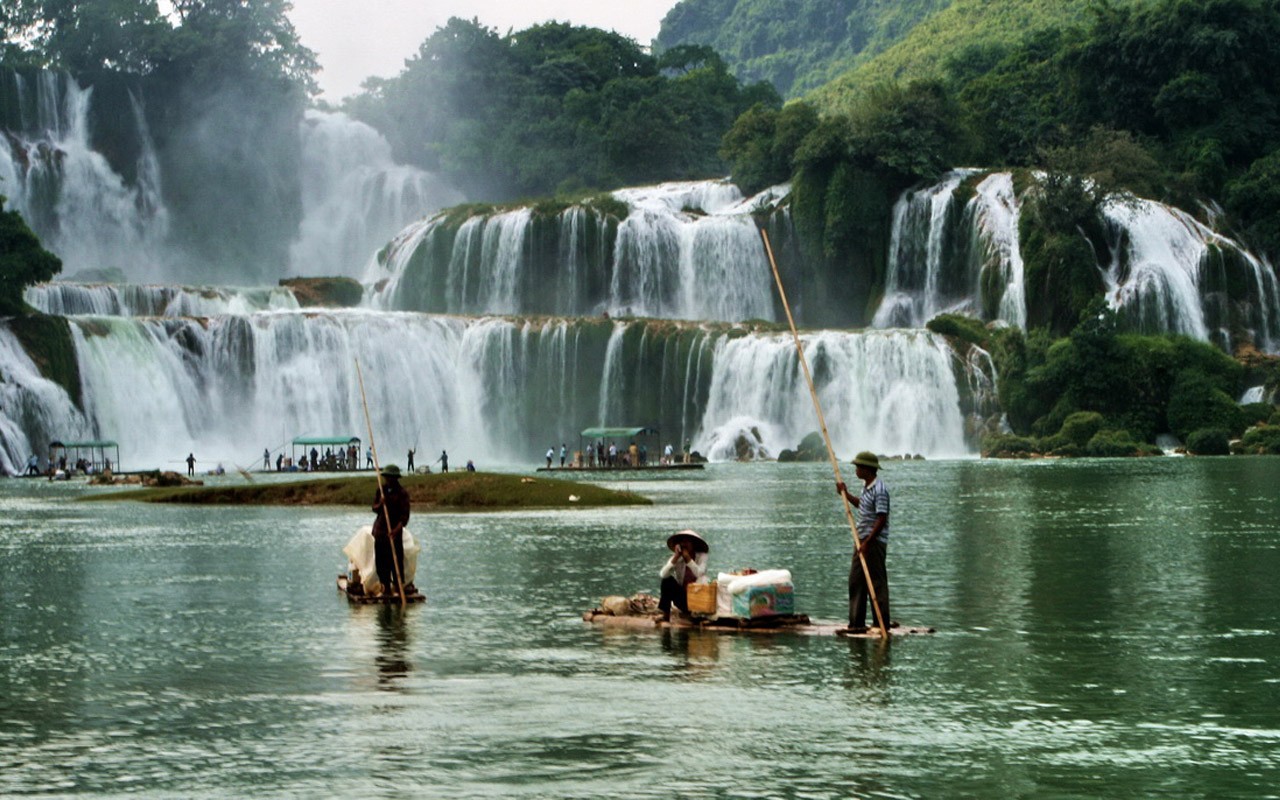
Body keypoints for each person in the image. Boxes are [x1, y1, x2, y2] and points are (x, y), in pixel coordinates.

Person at [836, 451, 891, 634]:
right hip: (861, 541)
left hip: (873, 543)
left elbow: (881, 519)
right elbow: (862, 505)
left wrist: (868, 541)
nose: (856, 470)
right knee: (856, 580)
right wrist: (845, 494)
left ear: (868, 469)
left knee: (876, 582)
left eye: (859, 467)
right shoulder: (866, 487)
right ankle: (856, 623)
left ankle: (881, 624)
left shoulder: (880, 490)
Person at [371, 464, 411, 596]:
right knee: (381, 561)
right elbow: (374, 508)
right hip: (381, 531)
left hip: (394, 532)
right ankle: (385, 586)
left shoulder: (402, 493)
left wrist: (396, 530)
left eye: (390, 478)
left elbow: (404, 517)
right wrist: (381, 503)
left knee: (396, 561)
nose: (388, 480)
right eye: (386, 478)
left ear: (396, 478)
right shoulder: (381, 490)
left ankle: (398, 587)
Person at [658, 530, 709, 622]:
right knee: (667, 581)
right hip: (683, 599)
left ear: (693, 544)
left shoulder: (702, 556)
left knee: (704, 579)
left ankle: (696, 614)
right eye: (682, 542)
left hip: (698, 599)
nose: (684, 545)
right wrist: (675, 558)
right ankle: (666, 615)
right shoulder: (678, 558)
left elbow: (699, 573)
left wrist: (688, 559)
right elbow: (663, 574)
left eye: (687, 542)